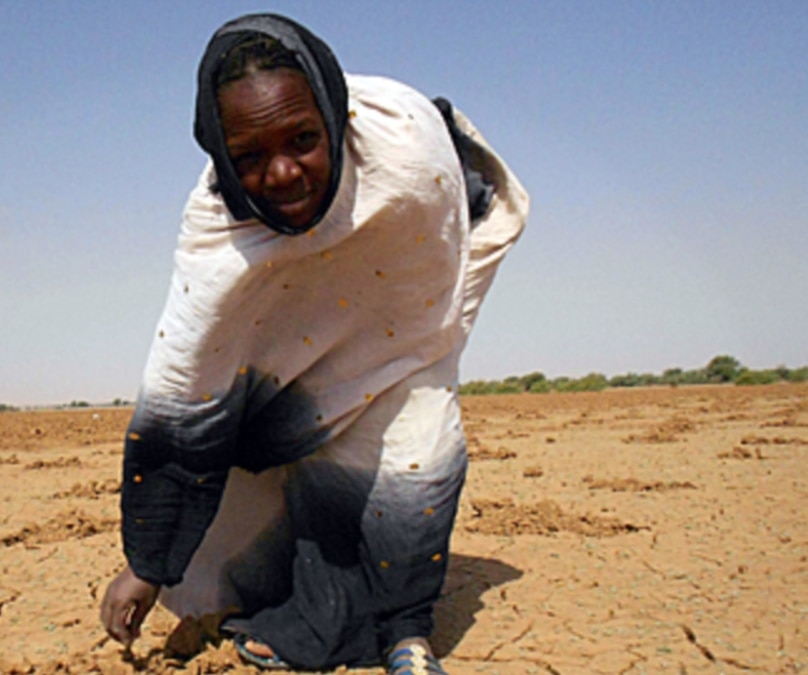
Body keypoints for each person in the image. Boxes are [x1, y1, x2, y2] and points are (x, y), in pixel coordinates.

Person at [100, 12, 528, 674]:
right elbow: (184, 403)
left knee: (417, 460)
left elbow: (446, 251)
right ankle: (327, 603)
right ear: (219, 150)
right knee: (266, 531)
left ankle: (406, 630)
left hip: (408, 333)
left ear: (336, 116)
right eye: (248, 156)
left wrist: (398, 358)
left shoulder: (408, 154)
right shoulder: (219, 236)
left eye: (303, 138)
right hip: (297, 371)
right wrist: (148, 566)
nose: (282, 173)